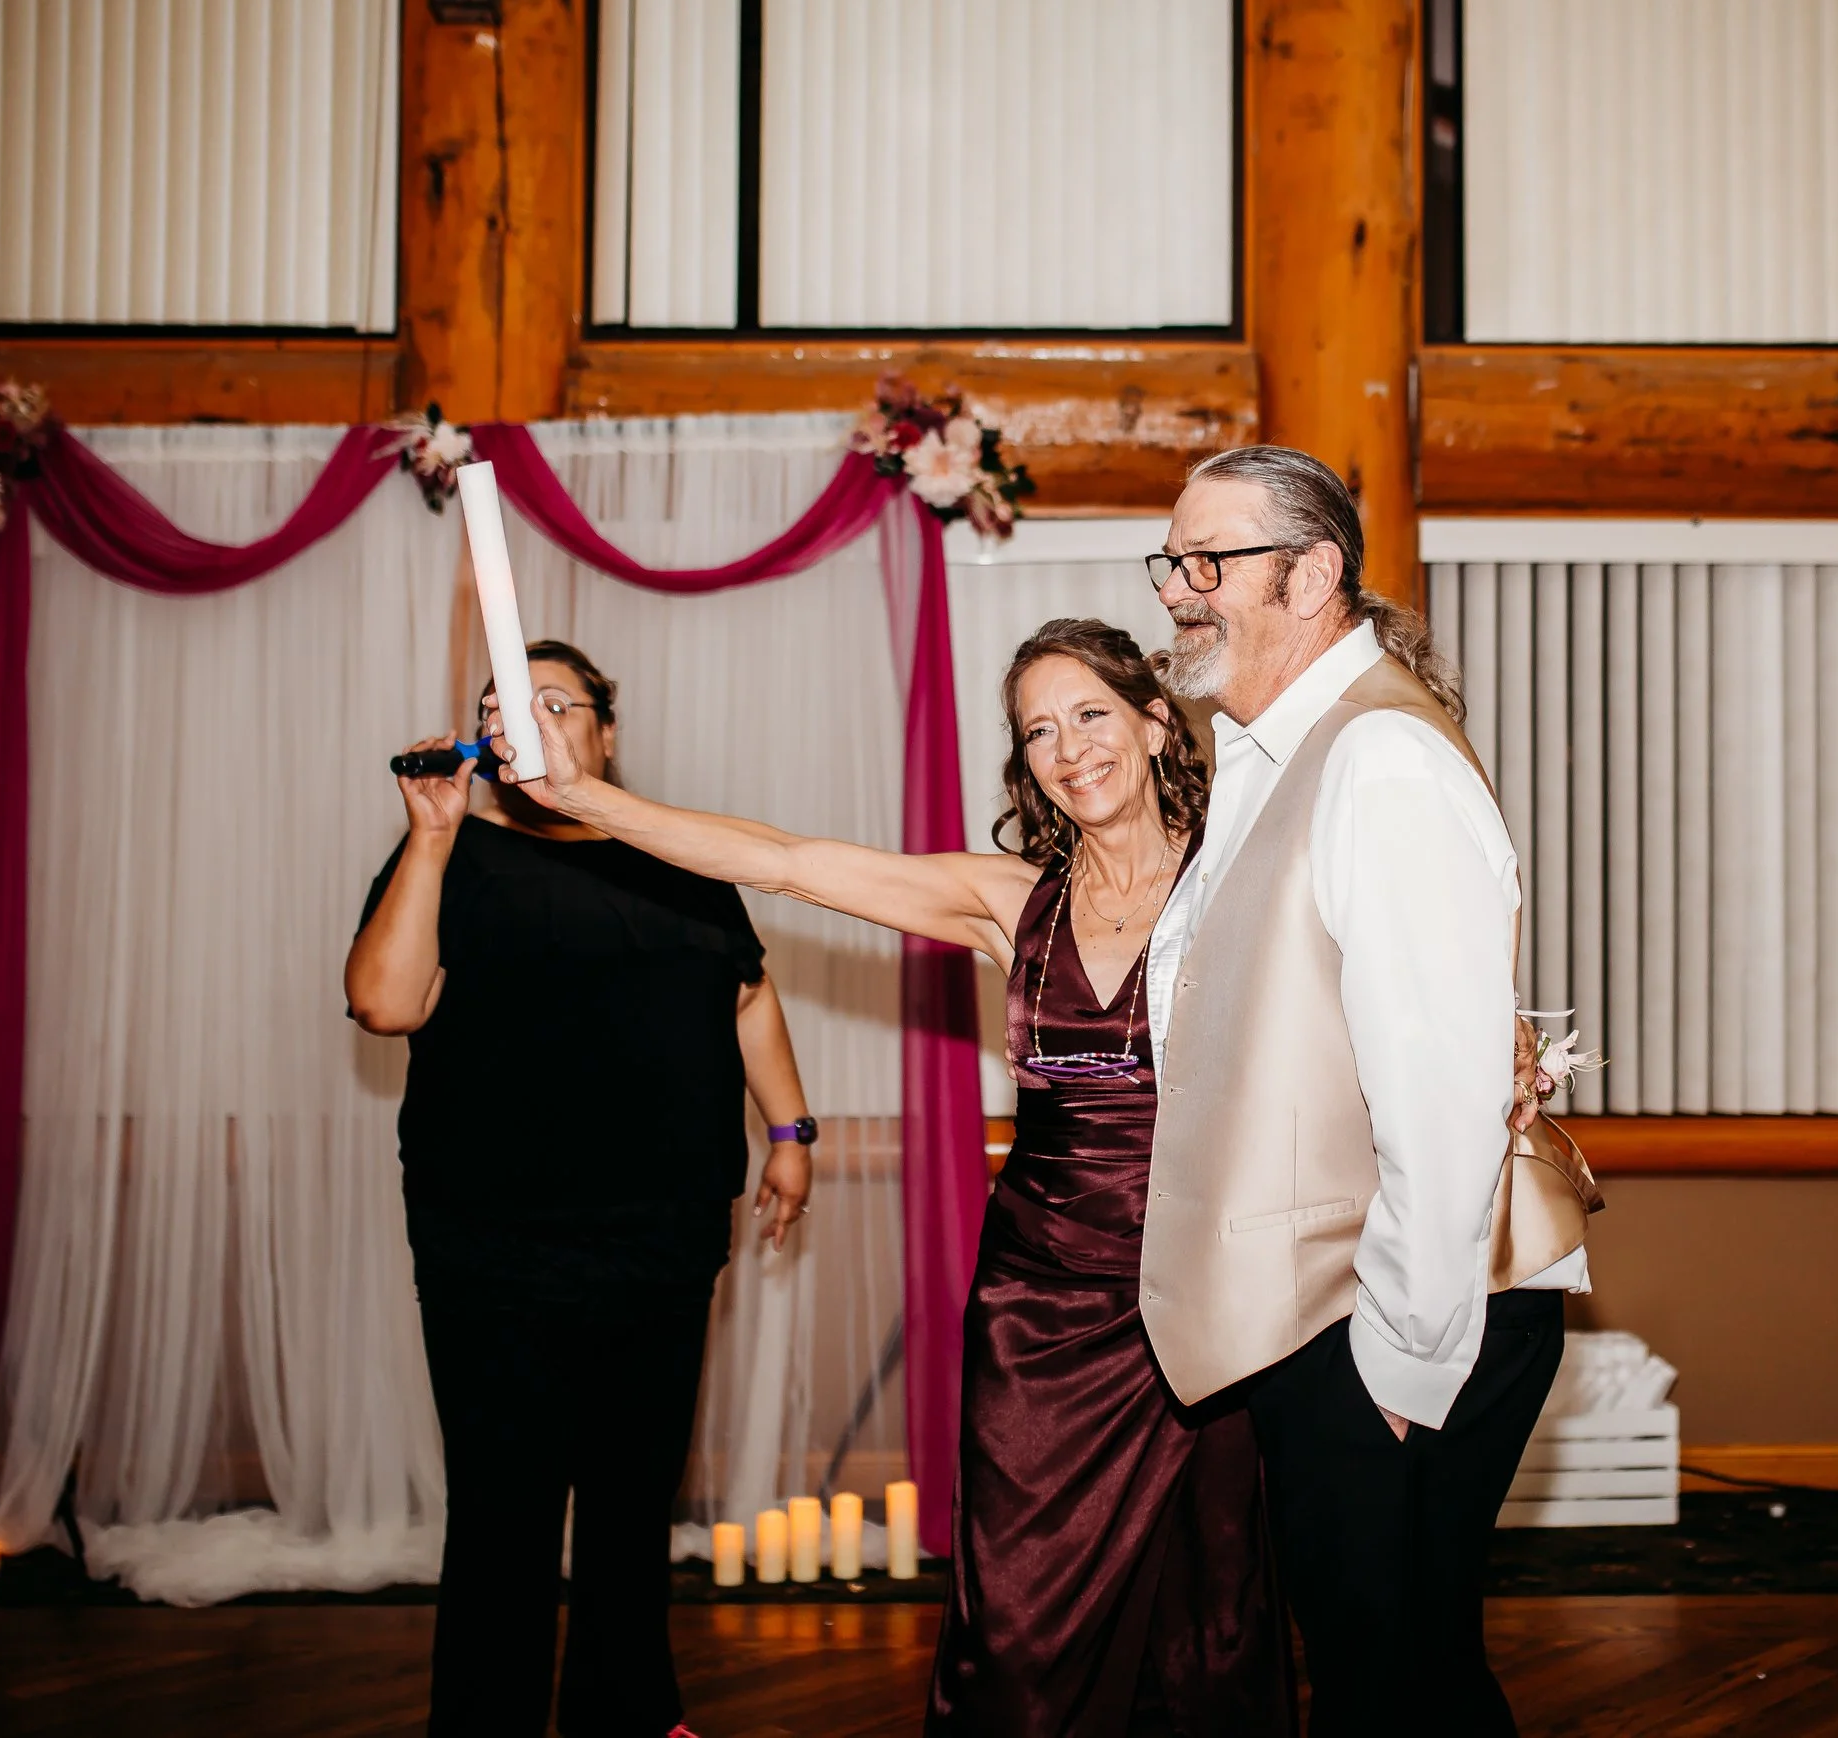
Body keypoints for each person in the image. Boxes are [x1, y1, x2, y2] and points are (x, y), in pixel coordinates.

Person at [486, 619, 1296, 1738]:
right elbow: (782, 860)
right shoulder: (1009, 901)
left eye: (1091, 715)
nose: (1069, 749)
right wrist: (585, 798)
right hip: (1041, 1311)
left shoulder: (1248, 887)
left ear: (1157, 724)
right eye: (1040, 732)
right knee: (1016, 1620)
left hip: (1205, 1308)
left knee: (1203, 1610)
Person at [1135, 445, 1591, 1737]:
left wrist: (1401, 1361)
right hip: (1341, 1301)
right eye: (1171, 561)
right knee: (1395, 1674)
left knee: (1389, 1682)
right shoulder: (1268, 752)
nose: (1176, 588)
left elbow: (1439, 1091)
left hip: (1396, 1306)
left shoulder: (1378, 755)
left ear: (1313, 572)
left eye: (1209, 560)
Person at [346, 641, 815, 1738]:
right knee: (501, 1512)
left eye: (556, 700)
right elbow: (384, 1004)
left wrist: (789, 1129)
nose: (529, 717)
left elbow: (747, 993)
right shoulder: (456, 854)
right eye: (504, 706)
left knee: (631, 1504)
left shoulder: (679, 855)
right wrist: (431, 836)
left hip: (665, 1236)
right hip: (492, 1244)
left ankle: (628, 1713)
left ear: (605, 728)